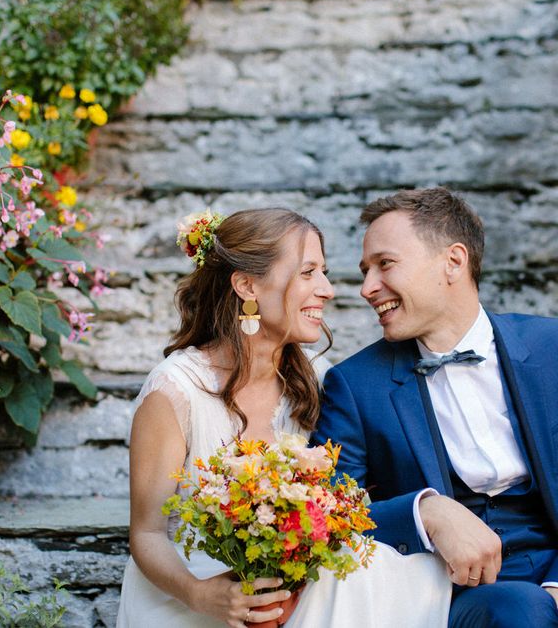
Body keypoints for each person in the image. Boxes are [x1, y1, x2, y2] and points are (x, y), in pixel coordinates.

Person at [117, 207, 451, 628]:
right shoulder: (176, 391)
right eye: (308, 272)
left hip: (296, 594)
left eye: (324, 272)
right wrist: (202, 595)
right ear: (247, 285)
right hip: (192, 596)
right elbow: (146, 534)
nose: (328, 289)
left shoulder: (321, 380)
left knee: (407, 573)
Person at [312, 187, 558, 627]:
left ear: (454, 261)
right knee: (519, 611)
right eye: (366, 271)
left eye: (385, 264)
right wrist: (422, 511)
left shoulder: (550, 349)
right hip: (454, 591)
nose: (367, 288)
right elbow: (325, 516)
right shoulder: (354, 384)